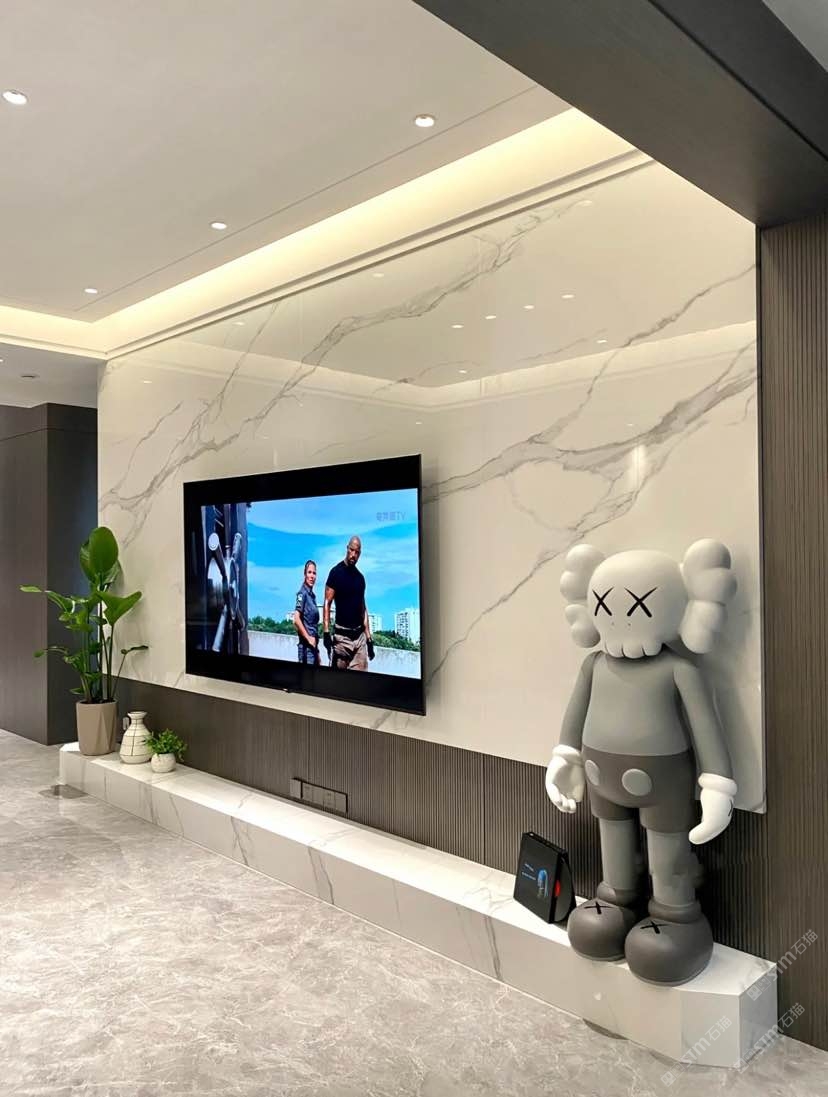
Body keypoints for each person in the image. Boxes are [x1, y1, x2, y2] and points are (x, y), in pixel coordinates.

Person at [322, 536, 375, 670]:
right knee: (337, 680)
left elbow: (363, 609)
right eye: (351, 550)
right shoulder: (336, 573)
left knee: (360, 680)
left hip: (359, 639)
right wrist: (326, 632)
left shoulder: (360, 579)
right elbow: (327, 602)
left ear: (359, 554)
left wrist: (369, 639)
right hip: (342, 639)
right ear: (347, 549)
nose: (353, 555)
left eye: (357, 552)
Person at [293, 560, 320, 665]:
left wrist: (317, 653)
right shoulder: (302, 593)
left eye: (314, 573)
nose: (312, 576)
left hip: (313, 649)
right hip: (306, 648)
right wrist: (308, 638)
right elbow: (296, 619)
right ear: (305, 574)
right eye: (309, 572)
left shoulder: (312, 596)